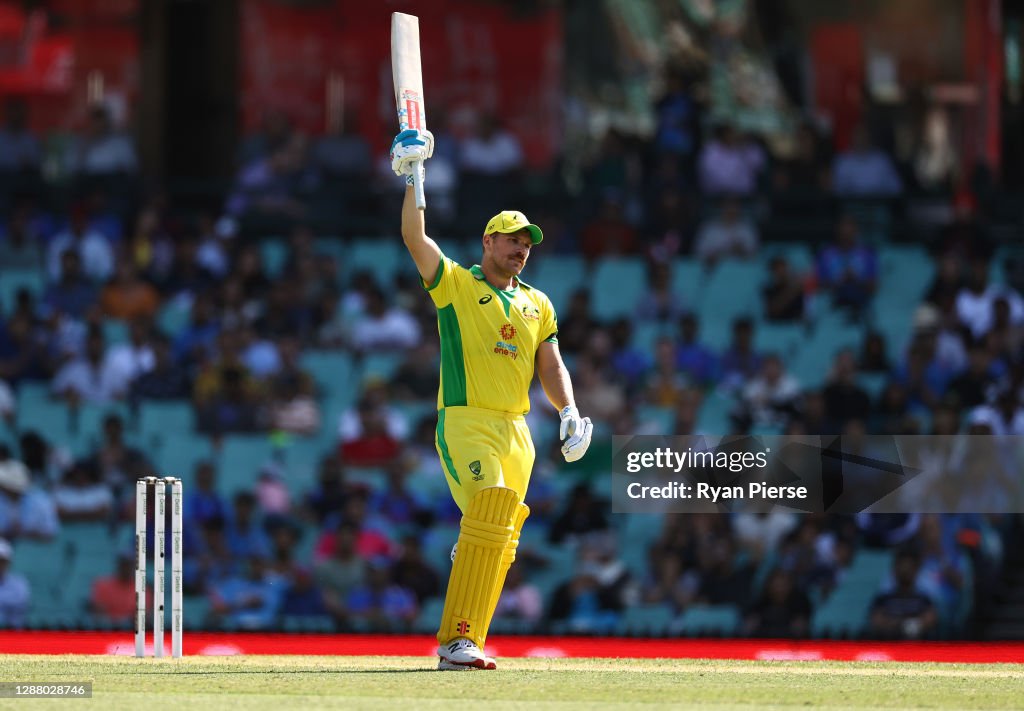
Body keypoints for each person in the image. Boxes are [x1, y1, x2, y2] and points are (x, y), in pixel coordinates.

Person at [390, 127, 594, 670]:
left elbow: (549, 363)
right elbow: (415, 238)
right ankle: (455, 641)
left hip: (518, 430)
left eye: (527, 242)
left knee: (502, 538)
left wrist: (569, 410)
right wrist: (415, 176)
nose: (521, 248)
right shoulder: (457, 284)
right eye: (511, 239)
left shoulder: (538, 304)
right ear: (488, 242)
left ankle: (468, 633)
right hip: (465, 421)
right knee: (491, 507)